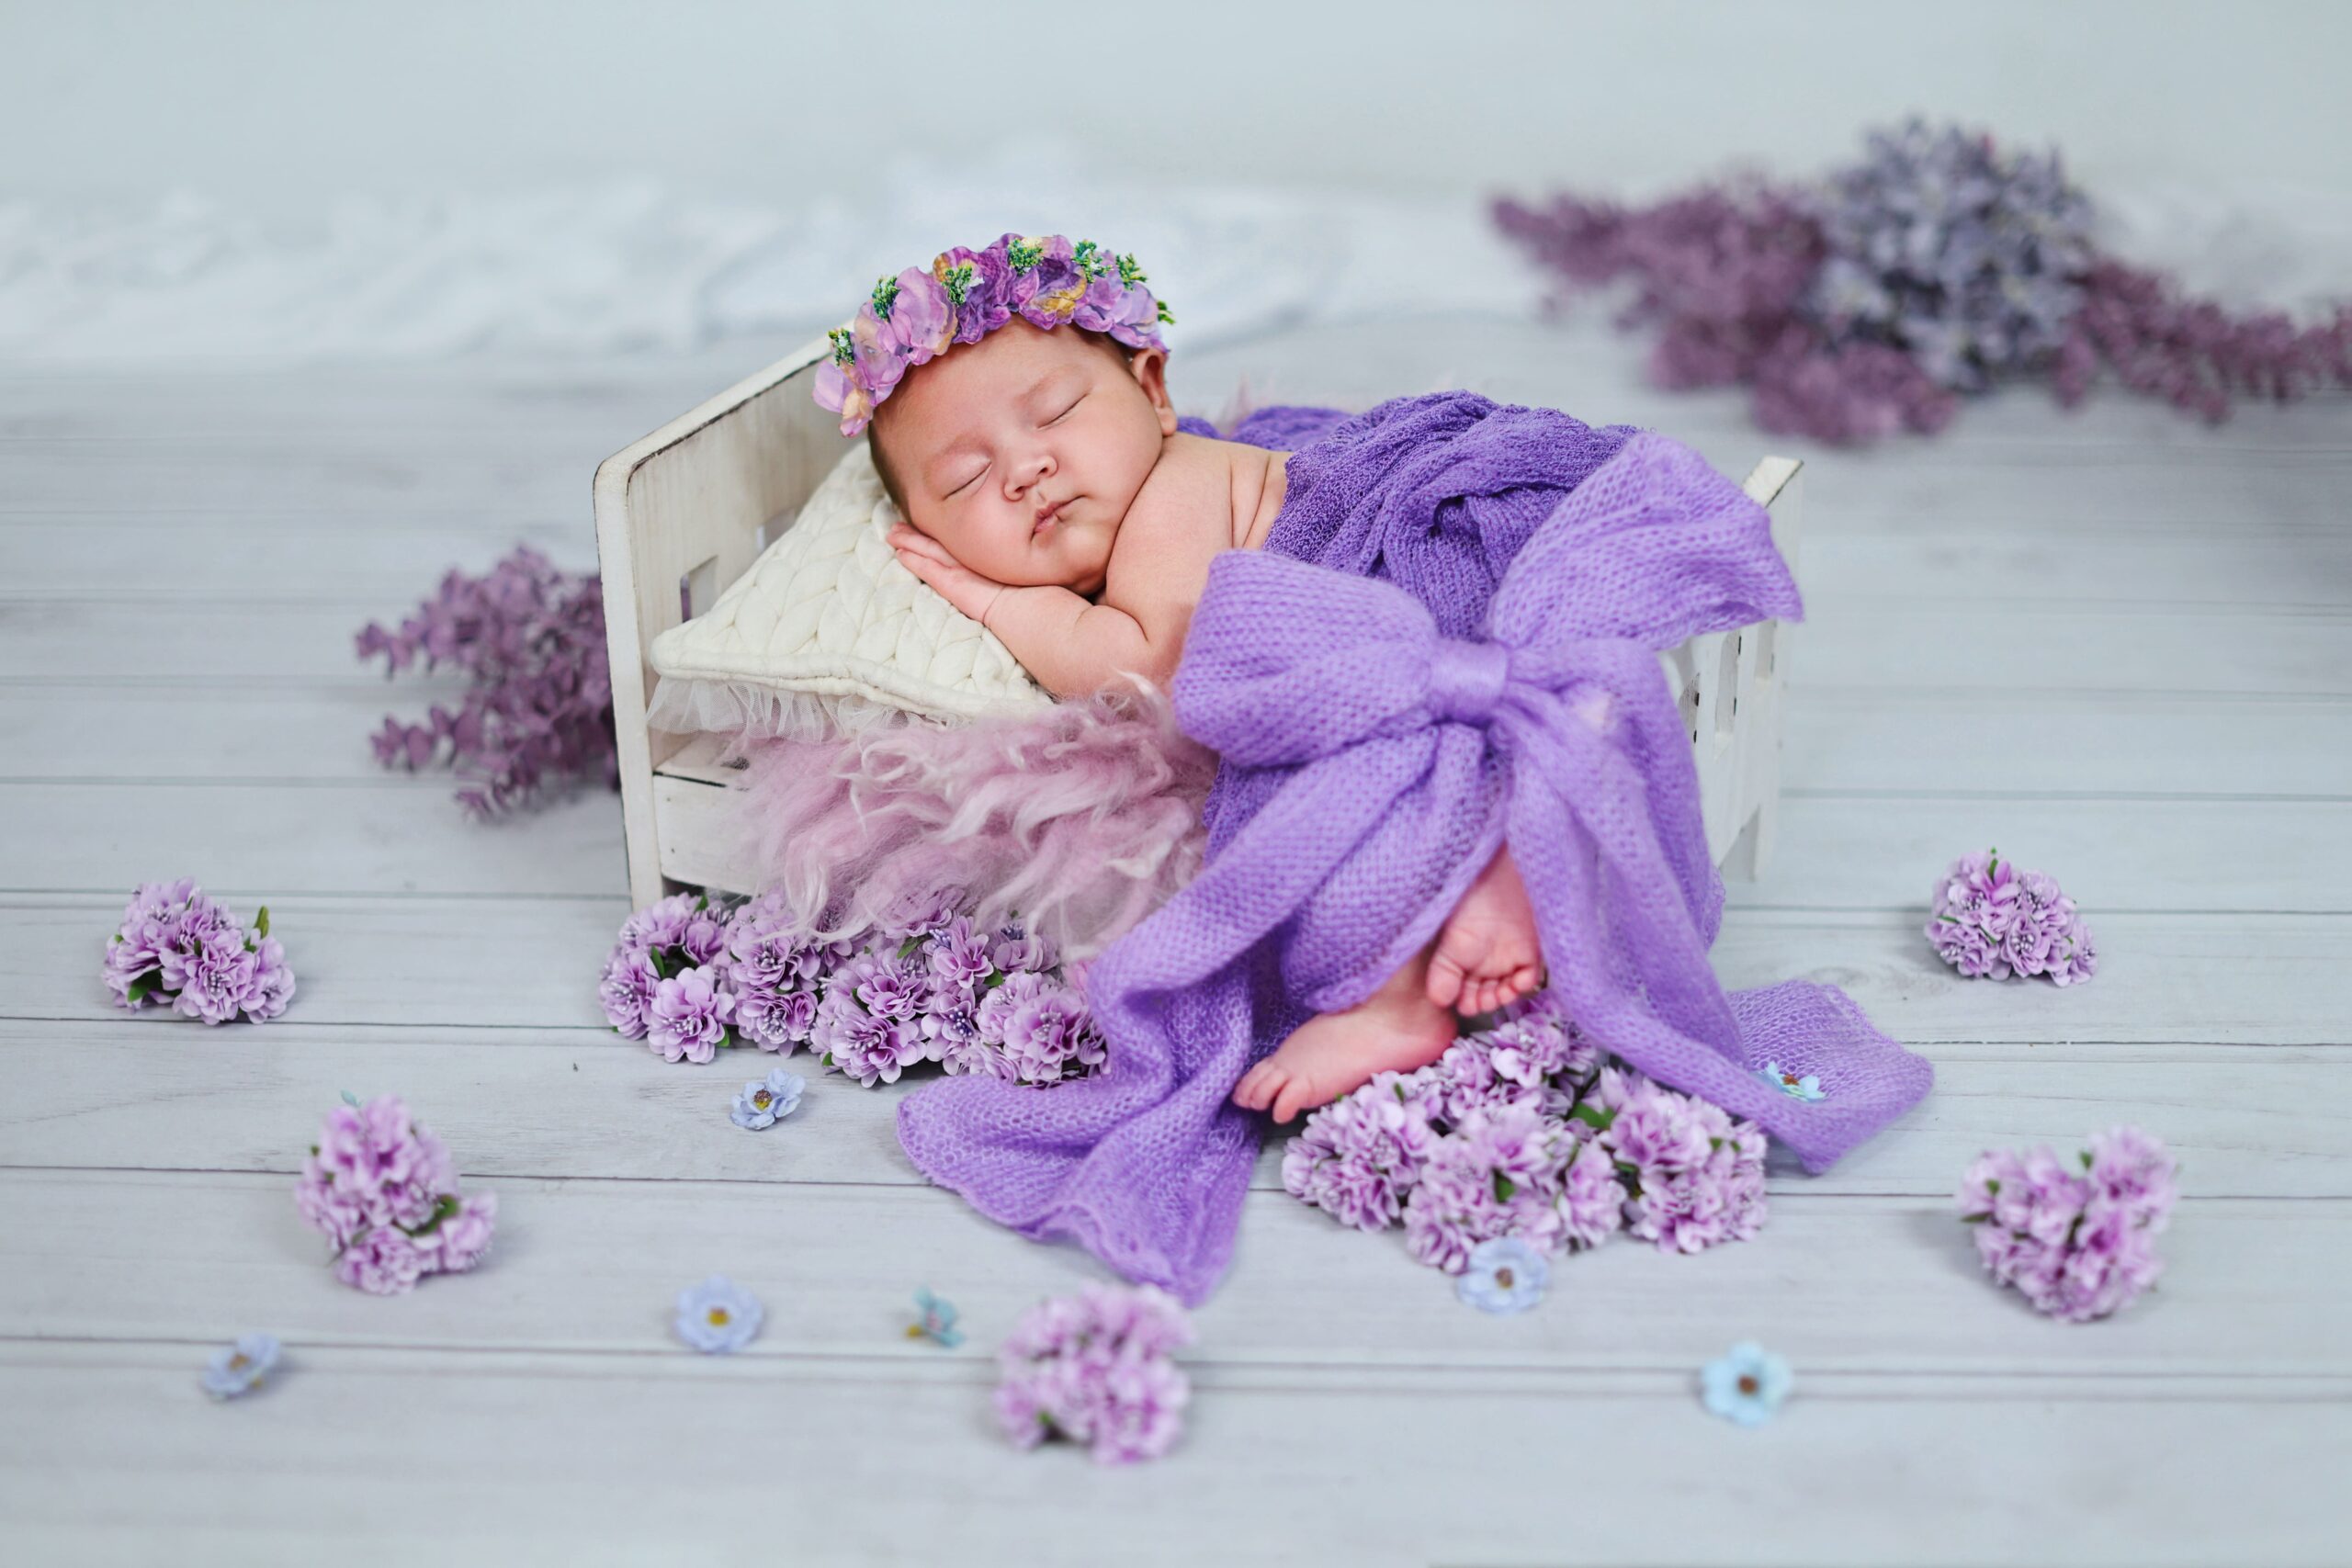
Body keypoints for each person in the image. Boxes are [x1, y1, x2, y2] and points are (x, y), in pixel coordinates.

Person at [820, 231, 1542, 1125]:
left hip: (1422, 573)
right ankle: (1502, 859)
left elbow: (1144, 663)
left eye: (1055, 413)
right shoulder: (1136, 497)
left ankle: (1392, 994)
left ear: (1154, 393)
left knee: (1334, 769)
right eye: (966, 480)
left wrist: (998, 602)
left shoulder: (1170, 493)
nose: (1025, 469)